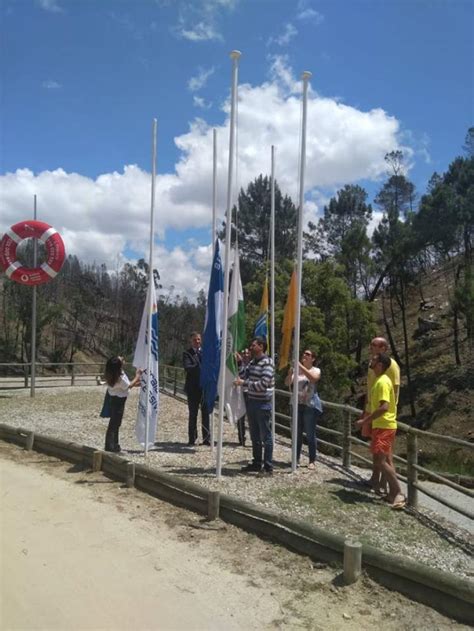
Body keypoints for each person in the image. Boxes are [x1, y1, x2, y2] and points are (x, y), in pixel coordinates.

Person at [356, 352, 405, 508]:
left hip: (385, 426)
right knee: (379, 460)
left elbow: (384, 407)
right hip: (380, 426)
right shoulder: (378, 380)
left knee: (382, 461)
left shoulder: (383, 382)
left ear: (380, 365)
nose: (371, 360)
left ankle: (398, 492)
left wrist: (365, 421)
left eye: (374, 359)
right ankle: (390, 493)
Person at [234, 337, 275, 475]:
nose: (251, 347)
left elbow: (263, 384)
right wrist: (239, 363)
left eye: (254, 345)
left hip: (263, 404)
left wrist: (245, 383)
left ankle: (268, 466)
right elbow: (243, 376)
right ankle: (257, 463)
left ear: (262, 347)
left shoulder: (268, 363)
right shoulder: (252, 363)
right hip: (251, 402)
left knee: (266, 436)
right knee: (255, 436)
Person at [285, 349, 322, 469]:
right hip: (296, 404)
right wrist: (290, 372)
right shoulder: (296, 370)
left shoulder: (316, 370)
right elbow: (287, 383)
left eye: (308, 354)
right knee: (297, 433)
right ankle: (296, 458)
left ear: (313, 359)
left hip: (309, 405)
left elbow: (313, 379)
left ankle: (312, 460)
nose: (304, 356)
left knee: (310, 434)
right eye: (304, 354)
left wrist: (300, 366)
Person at [104, 356, 141, 453]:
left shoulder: (112, 374)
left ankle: (114, 444)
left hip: (113, 399)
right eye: (120, 359)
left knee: (114, 423)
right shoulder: (120, 377)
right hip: (119, 401)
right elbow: (127, 386)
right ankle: (110, 445)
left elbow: (124, 386)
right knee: (115, 423)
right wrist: (137, 376)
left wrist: (137, 383)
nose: (122, 358)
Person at [183, 332, 210, 446]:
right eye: (195, 340)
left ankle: (207, 438)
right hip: (193, 388)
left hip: (204, 388)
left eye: (199, 339)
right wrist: (199, 366)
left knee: (206, 414)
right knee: (193, 414)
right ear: (191, 341)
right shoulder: (187, 353)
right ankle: (192, 438)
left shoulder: (206, 353)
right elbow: (187, 367)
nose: (197, 342)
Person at [235, 348, 251, 446]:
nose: (245, 354)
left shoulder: (253, 364)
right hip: (240, 393)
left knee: (252, 418)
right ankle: (241, 438)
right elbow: (240, 375)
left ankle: (255, 439)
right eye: (244, 353)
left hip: (250, 393)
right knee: (240, 417)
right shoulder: (238, 364)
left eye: (247, 353)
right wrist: (240, 363)